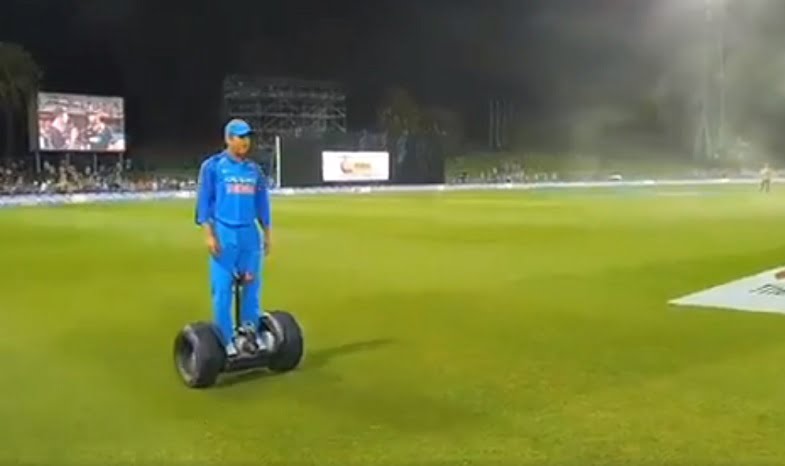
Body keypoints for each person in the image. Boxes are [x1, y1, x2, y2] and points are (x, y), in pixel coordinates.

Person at [194, 119, 272, 356]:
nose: (245, 141)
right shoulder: (213, 166)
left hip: (249, 235)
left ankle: (250, 334)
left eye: (247, 136)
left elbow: (262, 204)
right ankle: (226, 339)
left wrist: (267, 233)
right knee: (223, 290)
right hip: (224, 234)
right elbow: (204, 202)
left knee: (251, 286)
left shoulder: (254, 170)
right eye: (240, 136)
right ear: (228, 139)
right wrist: (209, 234)